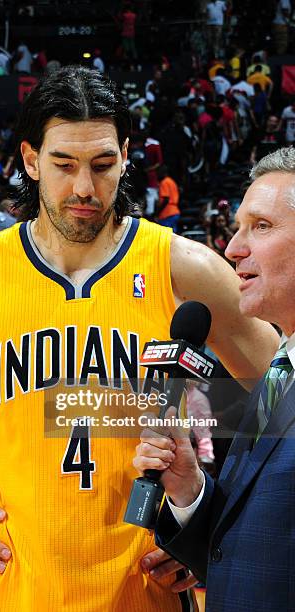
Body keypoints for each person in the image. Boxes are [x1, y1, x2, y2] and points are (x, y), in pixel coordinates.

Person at [0, 67, 278, 612]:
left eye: (102, 165)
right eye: (63, 165)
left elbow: (280, 398)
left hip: (147, 592)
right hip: (14, 589)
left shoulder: (184, 267)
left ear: (125, 155)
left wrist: (205, 519)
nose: (83, 187)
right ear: (30, 160)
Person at [134, 146, 295, 612]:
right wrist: (188, 489)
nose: (232, 247)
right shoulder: (276, 374)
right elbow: (250, 548)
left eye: (260, 227)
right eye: (239, 226)